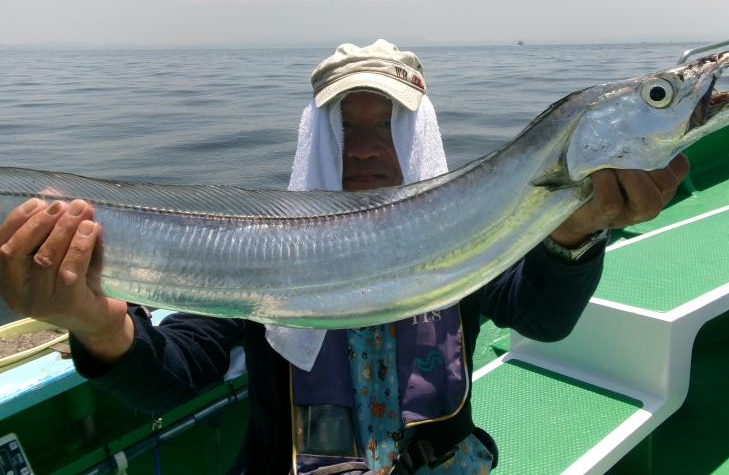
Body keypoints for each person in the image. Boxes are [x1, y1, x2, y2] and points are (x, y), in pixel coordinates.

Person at [0, 40, 688, 474]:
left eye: (387, 124)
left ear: (421, 136)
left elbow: (540, 313)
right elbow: (174, 374)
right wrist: (93, 323)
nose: (364, 146)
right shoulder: (267, 253)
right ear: (317, 136)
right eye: (345, 126)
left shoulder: (463, 239)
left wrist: (575, 231)